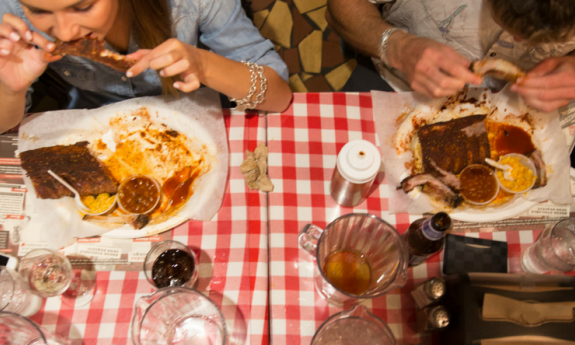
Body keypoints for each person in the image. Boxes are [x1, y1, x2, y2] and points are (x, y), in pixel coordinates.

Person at [0, 0, 292, 133]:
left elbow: (279, 95)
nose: (64, 33)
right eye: (38, 10)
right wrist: (11, 89)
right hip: (96, 123)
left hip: (198, 118)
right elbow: (5, 128)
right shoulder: (9, 11)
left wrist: (202, 64)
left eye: (83, 6)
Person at [326, 0, 575, 112]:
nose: (518, 40)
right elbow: (339, 7)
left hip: (521, 108)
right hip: (395, 80)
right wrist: (398, 48)